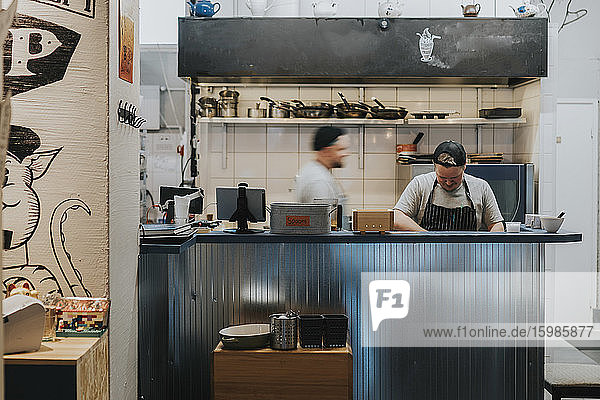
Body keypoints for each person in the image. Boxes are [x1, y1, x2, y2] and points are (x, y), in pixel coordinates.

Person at [393, 140, 505, 232]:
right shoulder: (420, 184)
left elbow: (497, 225)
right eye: (442, 178)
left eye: (454, 178)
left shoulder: (481, 187)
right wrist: (427, 237)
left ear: (464, 166)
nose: (448, 183)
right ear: (434, 167)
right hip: (428, 254)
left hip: (469, 255)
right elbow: (396, 218)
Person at [296, 126, 348, 206]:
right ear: (326, 152)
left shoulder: (318, 171)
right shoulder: (319, 181)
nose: (345, 154)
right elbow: (321, 217)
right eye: (340, 149)